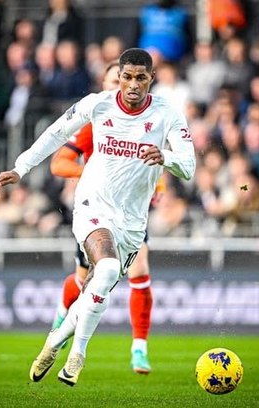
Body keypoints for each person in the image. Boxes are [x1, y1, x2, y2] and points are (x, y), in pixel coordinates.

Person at [0, 48, 195, 386]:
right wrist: (21, 167)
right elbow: (56, 133)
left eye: (140, 78)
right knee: (108, 269)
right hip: (92, 205)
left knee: (95, 287)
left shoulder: (167, 113)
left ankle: (55, 341)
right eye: (126, 77)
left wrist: (166, 157)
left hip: (132, 221)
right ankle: (77, 356)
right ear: (120, 77)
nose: (132, 85)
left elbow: (188, 167)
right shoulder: (97, 104)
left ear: (151, 79)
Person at [49, 61, 159, 374]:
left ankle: (139, 348)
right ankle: (61, 317)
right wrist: (94, 174)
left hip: (129, 214)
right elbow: (59, 163)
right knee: (83, 278)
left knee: (140, 267)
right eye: (116, 81)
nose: (124, 88)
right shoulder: (95, 122)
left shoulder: (147, 121)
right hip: (94, 210)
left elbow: (158, 162)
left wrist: (160, 184)